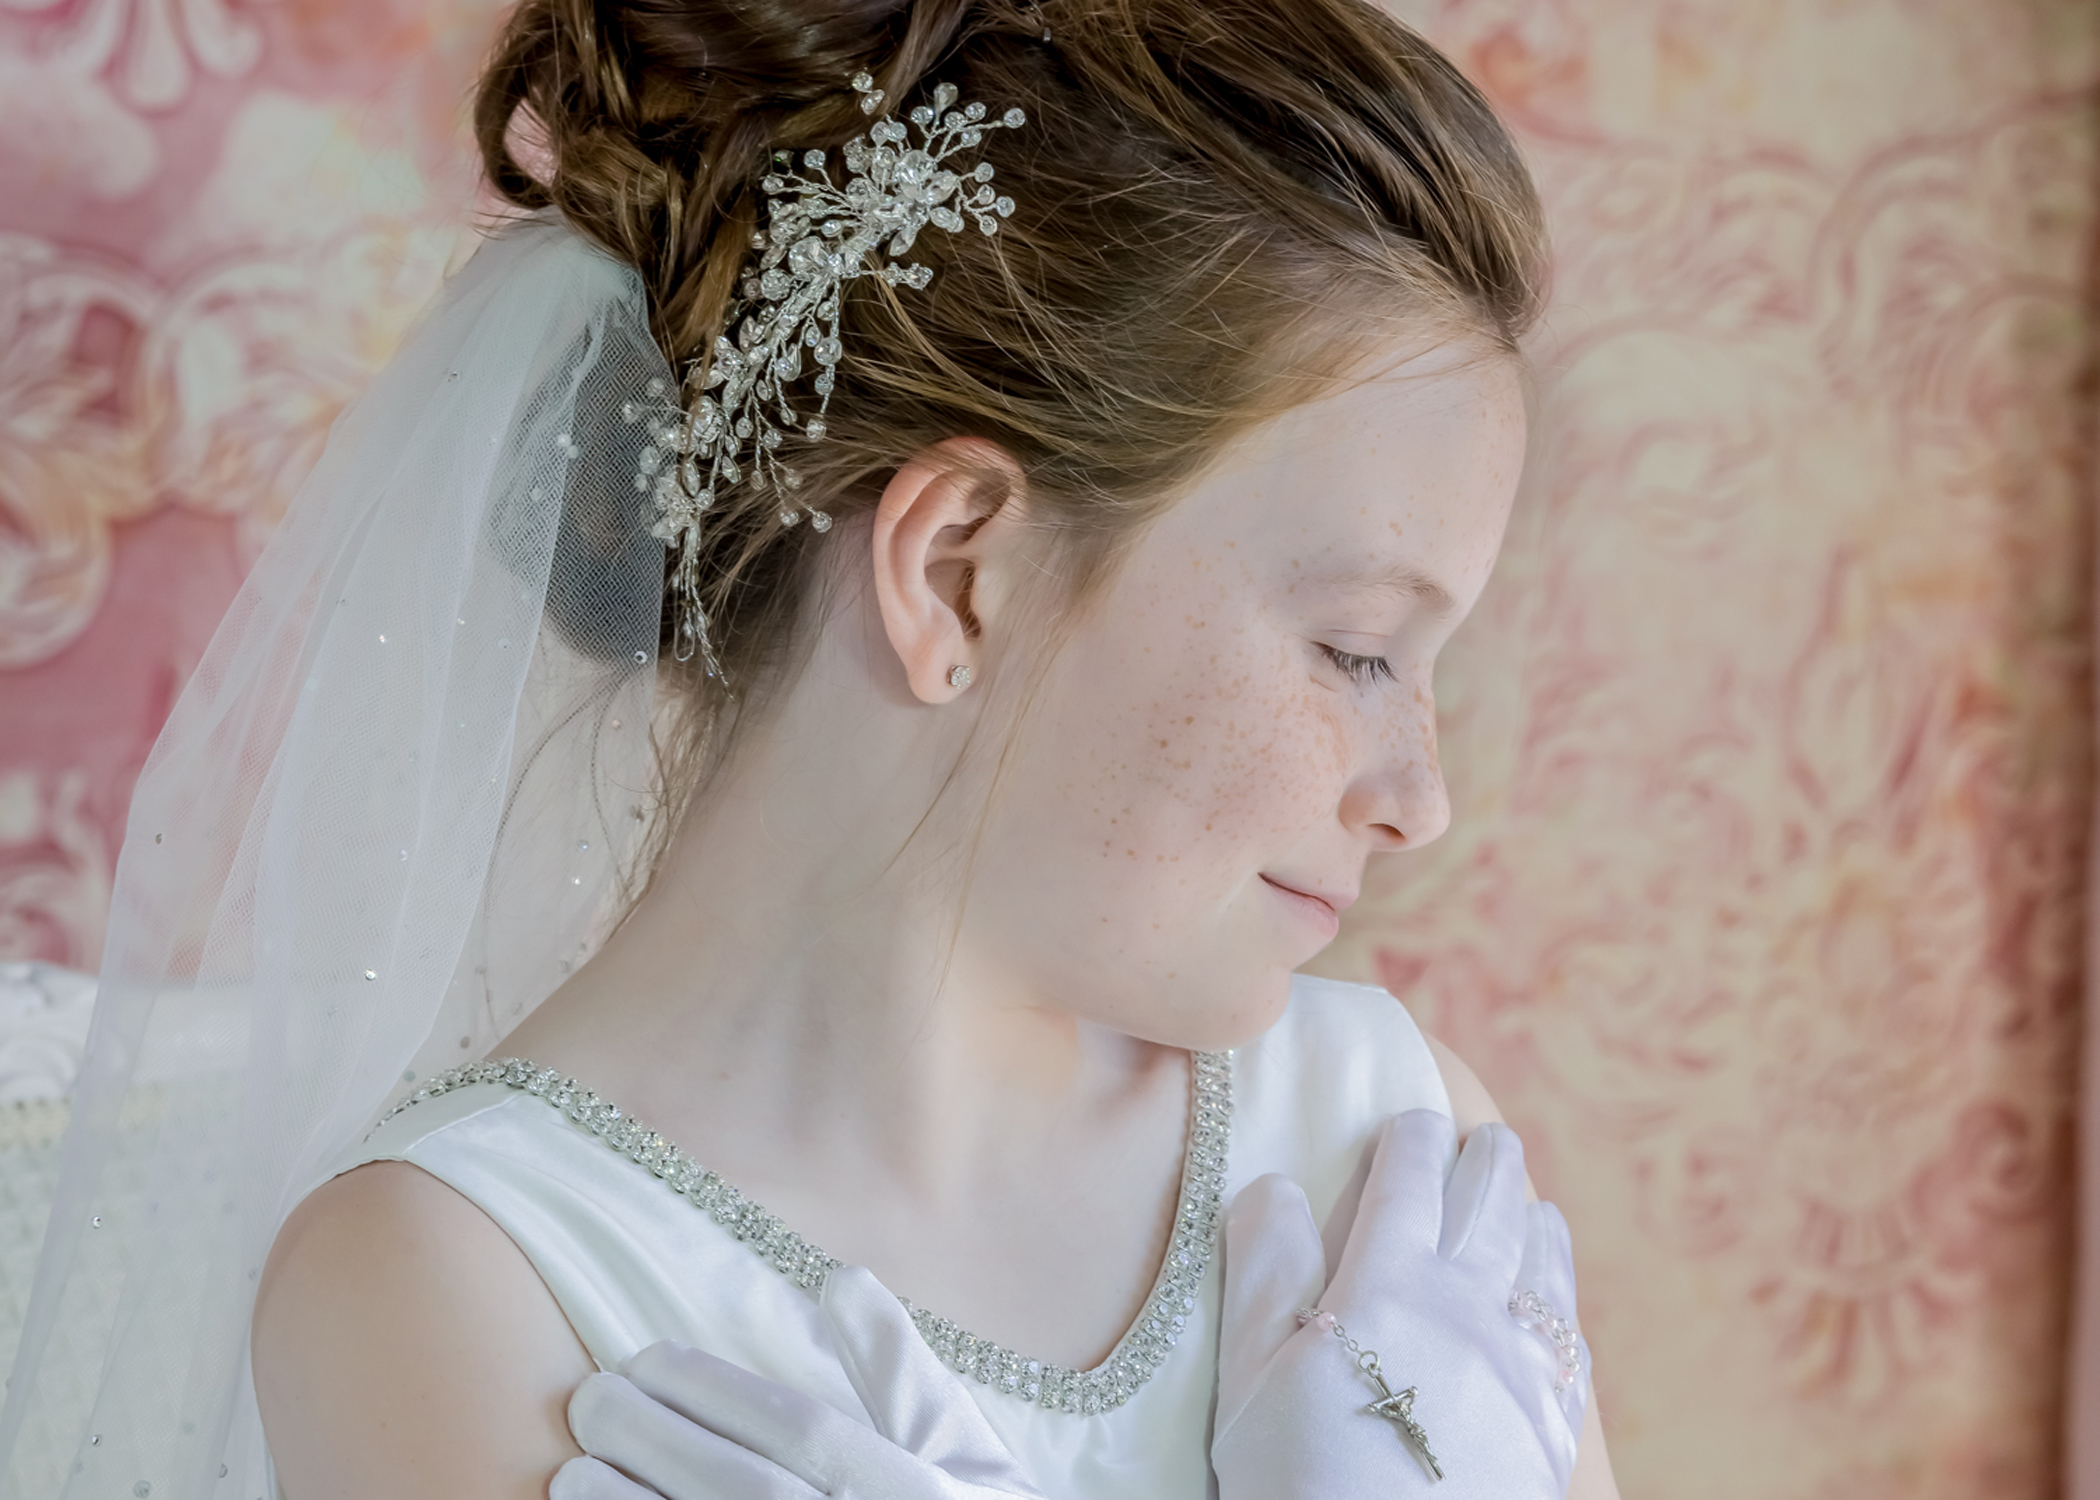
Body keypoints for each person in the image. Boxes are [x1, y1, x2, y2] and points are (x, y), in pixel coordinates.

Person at [0, 2, 1619, 1498]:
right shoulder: (461, 1285)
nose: (1421, 800)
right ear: (956, 572)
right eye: (1356, 649)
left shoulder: (1394, 1144)